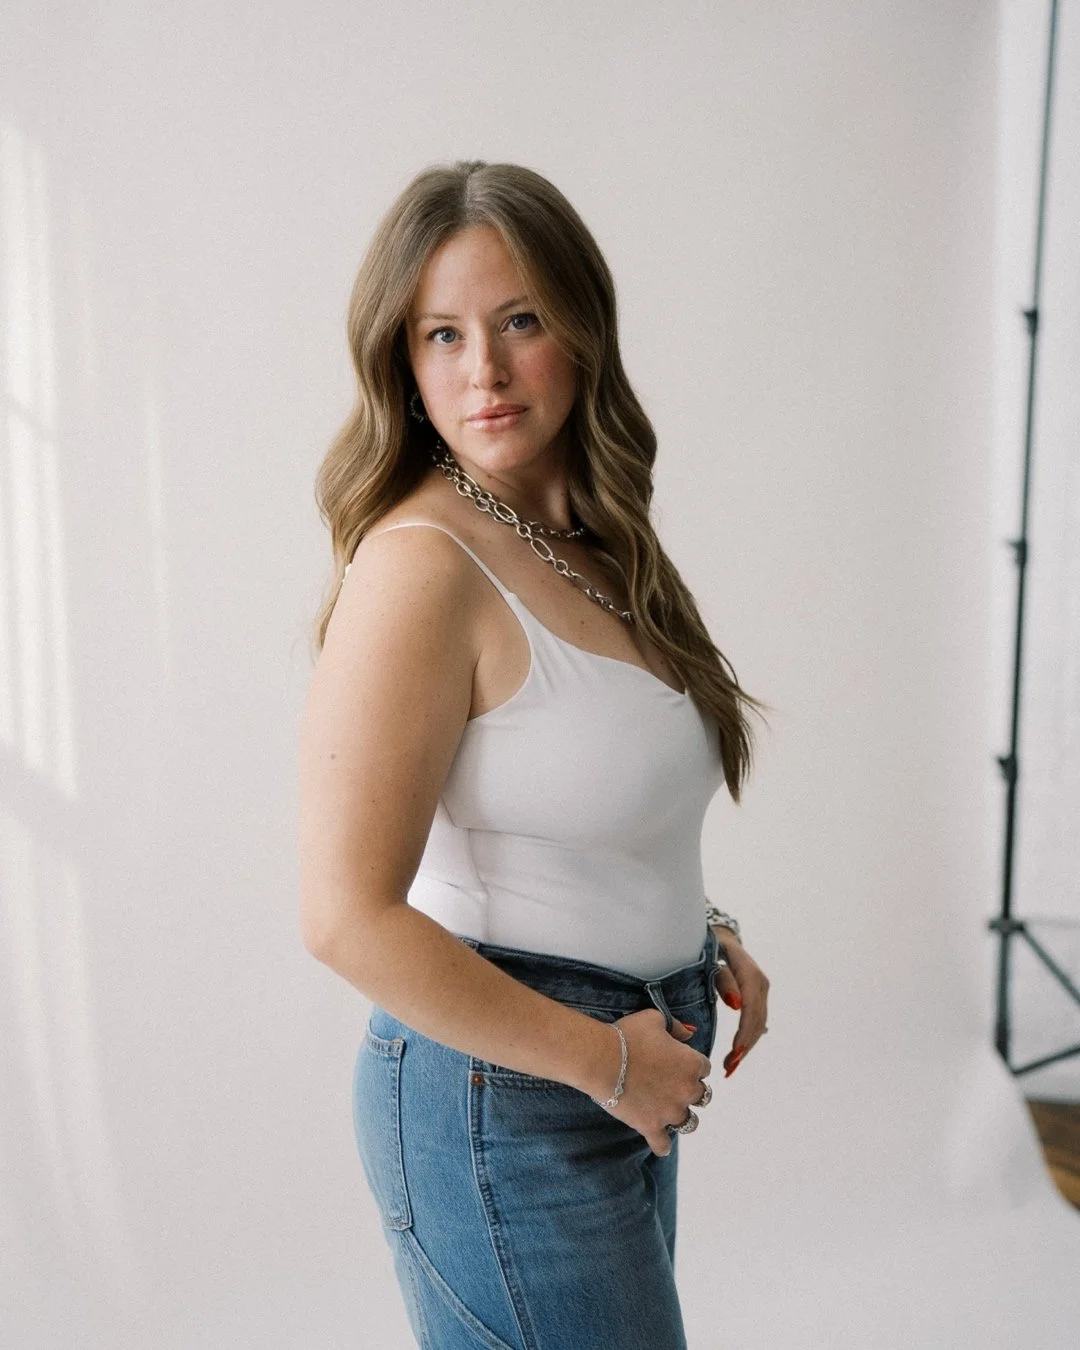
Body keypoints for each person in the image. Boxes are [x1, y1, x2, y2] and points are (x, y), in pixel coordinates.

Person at [298, 159, 773, 1350]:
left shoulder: (594, 542)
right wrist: (604, 1063)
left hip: (620, 1056)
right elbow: (344, 915)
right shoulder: (422, 566)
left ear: (582, 324)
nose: (486, 371)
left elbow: (583, 795)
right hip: (504, 1089)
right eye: (441, 335)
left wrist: (697, 929)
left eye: (519, 321)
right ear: (401, 363)